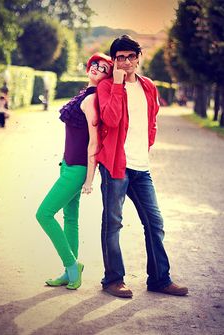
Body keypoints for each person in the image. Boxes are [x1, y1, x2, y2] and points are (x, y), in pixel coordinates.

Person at [96, 35, 188, 298]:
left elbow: (152, 120)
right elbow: (111, 120)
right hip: (116, 166)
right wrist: (115, 84)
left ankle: (159, 279)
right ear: (114, 61)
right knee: (113, 223)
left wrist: (145, 146)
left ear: (138, 58)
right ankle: (113, 279)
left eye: (130, 56)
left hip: (141, 167)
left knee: (155, 223)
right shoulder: (106, 87)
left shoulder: (148, 86)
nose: (125, 62)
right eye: (119, 58)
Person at [36, 53, 113, 290]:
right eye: (95, 64)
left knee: (44, 214)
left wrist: (89, 178)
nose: (96, 68)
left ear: (107, 77)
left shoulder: (91, 101)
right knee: (70, 218)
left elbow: (94, 142)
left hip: (77, 170)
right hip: (68, 165)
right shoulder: (85, 94)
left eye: (103, 68)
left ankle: (72, 265)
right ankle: (69, 273)